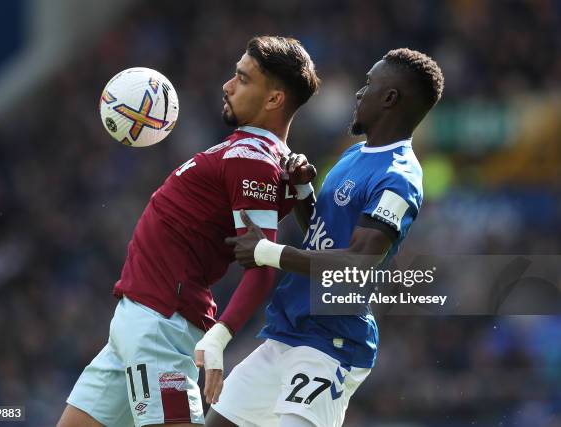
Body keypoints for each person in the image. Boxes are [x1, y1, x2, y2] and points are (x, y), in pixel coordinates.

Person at [57, 35, 320, 427]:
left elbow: (263, 264)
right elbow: (304, 225)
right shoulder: (253, 154)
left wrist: (221, 336)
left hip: (159, 326)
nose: (227, 85)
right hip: (138, 322)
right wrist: (300, 189)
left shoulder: (253, 161)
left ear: (274, 99)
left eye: (242, 79)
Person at [210, 48, 445, 427]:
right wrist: (303, 191)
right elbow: (322, 236)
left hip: (331, 342)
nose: (358, 93)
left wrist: (268, 252)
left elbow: (358, 263)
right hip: (289, 330)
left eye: (369, 84)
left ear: (390, 98)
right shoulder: (354, 155)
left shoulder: (399, 178)